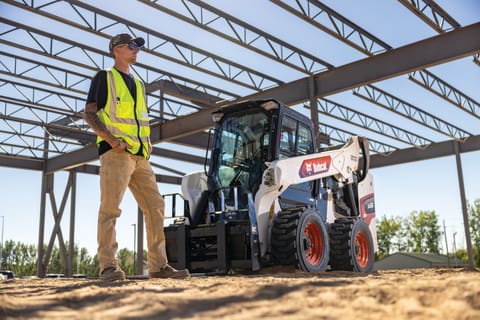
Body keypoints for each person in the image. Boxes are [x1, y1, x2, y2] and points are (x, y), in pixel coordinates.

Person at [83, 33, 190, 281]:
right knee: (110, 210)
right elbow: (89, 114)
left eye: (137, 47)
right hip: (116, 154)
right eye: (131, 46)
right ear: (116, 49)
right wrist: (111, 141)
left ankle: (158, 266)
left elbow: (140, 120)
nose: (136, 51)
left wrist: (148, 142)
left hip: (140, 156)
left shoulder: (139, 84)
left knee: (155, 206)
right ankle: (108, 267)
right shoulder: (105, 77)